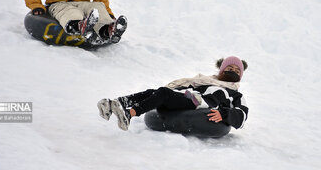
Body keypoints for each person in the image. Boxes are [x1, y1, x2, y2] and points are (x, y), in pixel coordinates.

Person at [97, 56, 249, 131]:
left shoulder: (236, 95)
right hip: (189, 98)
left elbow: (242, 114)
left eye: (237, 71)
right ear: (222, 70)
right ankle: (115, 104)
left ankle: (129, 114)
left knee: (163, 93)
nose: (233, 71)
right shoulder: (204, 81)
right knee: (155, 92)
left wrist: (224, 114)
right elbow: (181, 89)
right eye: (230, 68)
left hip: (200, 104)